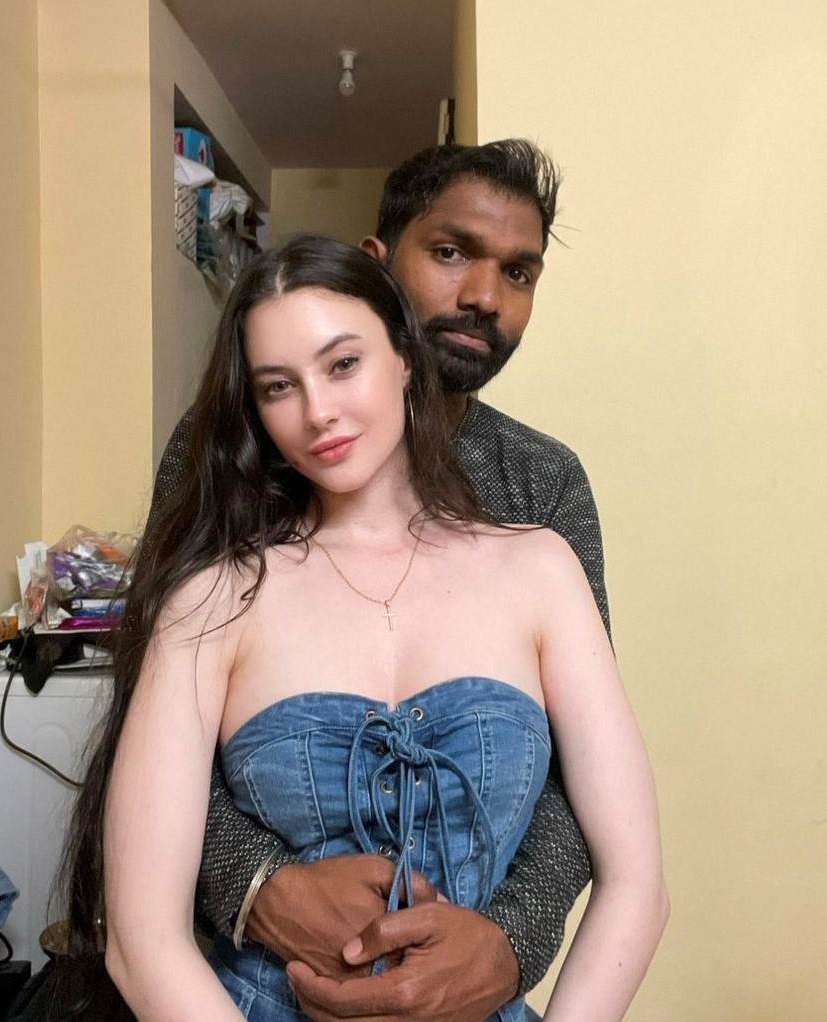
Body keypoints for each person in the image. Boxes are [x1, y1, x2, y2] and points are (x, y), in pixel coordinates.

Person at [66, 234, 667, 1022]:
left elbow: (636, 883)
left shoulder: (541, 569)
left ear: (405, 358)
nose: (317, 412)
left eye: (343, 364)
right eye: (279, 386)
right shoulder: (211, 600)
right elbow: (142, 941)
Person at [151, 139, 609, 1022]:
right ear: (379, 267)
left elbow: (580, 771)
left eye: (518, 272)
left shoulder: (540, 486)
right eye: (451, 252)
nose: (485, 295)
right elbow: (154, 741)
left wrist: (508, 944)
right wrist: (257, 885)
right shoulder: (230, 456)